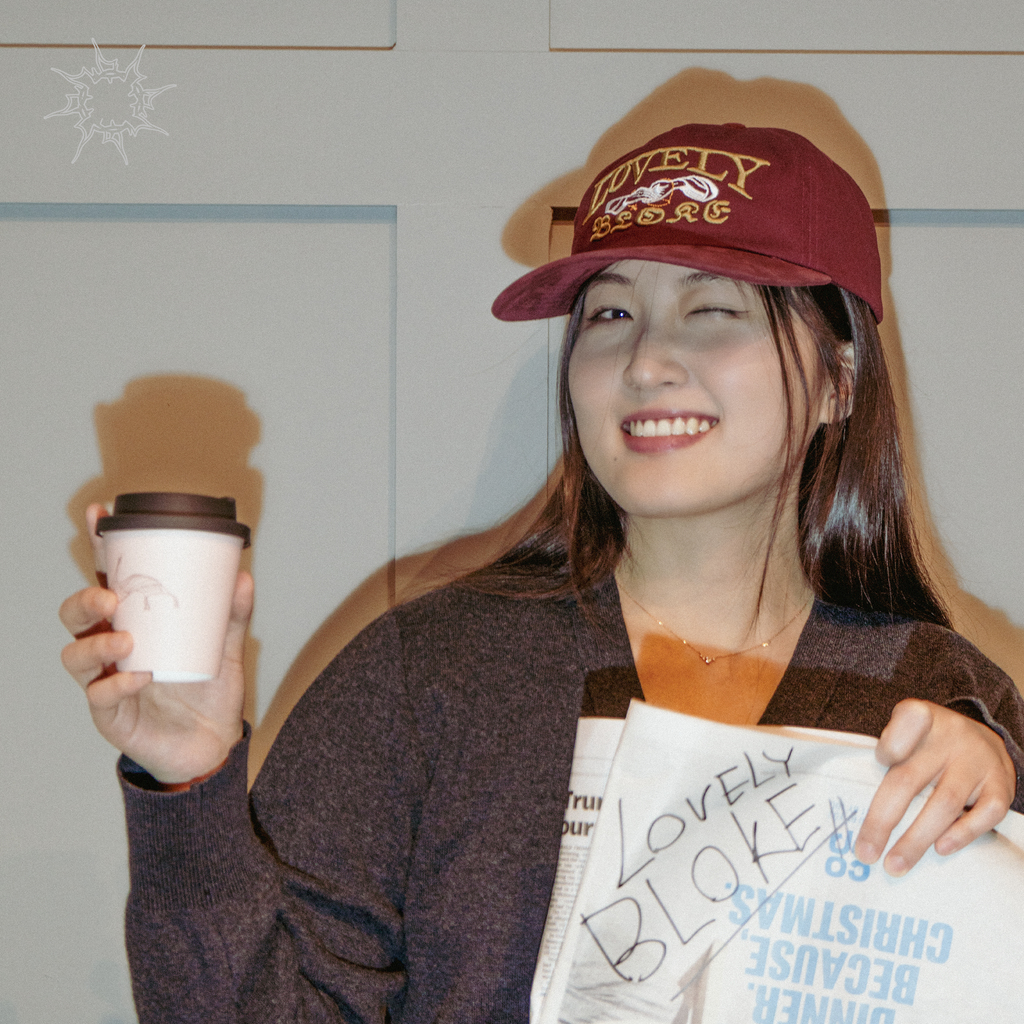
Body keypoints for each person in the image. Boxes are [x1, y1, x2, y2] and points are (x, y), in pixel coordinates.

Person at [60, 123, 1024, 1024]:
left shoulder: (950, 702)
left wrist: (1003, 820)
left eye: (713, 309)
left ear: (838, 378)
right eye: (610, 313)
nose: (646, 361)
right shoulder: (427, 672)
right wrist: (190, 785)